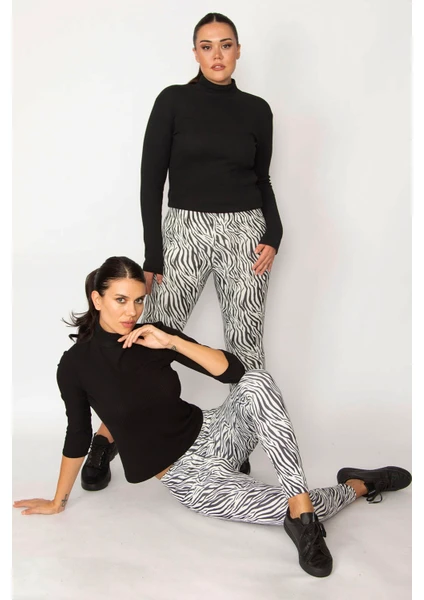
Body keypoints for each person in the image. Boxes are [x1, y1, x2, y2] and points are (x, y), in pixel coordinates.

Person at [14, 257, 412, 579]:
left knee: (257, 380)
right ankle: (359, 485)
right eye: (120, 300)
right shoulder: (75, 366)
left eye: (138, 301)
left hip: (215, 431)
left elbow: (234, 372)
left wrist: (172, 341)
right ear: (96, 298)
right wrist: (58, 501)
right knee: (281, 511)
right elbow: (77, 433)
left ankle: (303, 515)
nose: (131, 312)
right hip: (186, 477)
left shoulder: (153, 335)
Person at [81, 11, 284, 490]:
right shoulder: (173, 101)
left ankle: (239, 441)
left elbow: (262, 179)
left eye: (226, 44)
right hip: (184, 232)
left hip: (245, 234)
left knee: (246, 345)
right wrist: (154, 255)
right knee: (144, 335)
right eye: (207, 46)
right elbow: (151, 182)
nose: (217, 55)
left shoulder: (258, 110)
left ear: (238, 51)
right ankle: (108, 438)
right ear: (195, 53)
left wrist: (274, 233)